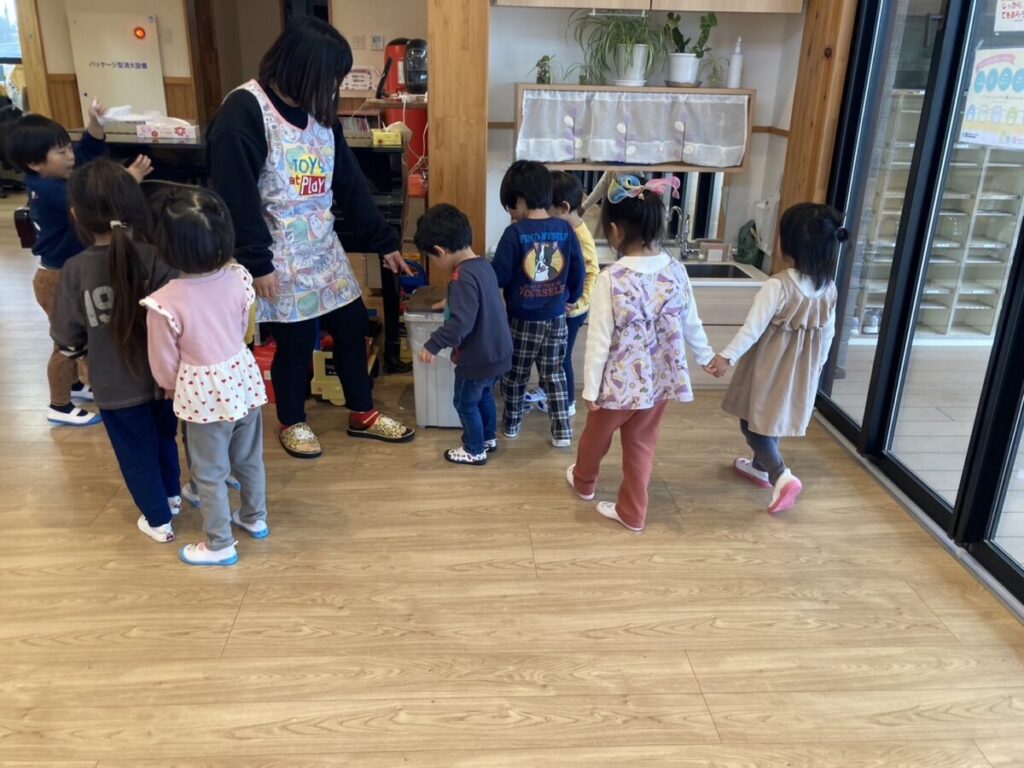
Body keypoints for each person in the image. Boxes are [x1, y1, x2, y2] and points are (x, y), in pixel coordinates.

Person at [207, 17, 414, 460]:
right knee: (296, 344)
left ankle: (363, 414)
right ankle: (292, 421)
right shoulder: (243, 112)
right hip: (276, 257)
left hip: (323, 249)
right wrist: (257, 263)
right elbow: (235, 197)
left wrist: (384, 241)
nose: (334, 89)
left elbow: (350, 184)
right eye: (332, 78)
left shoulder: (320, 113)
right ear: (304, 70)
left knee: (352, 326)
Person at [566, 175, 715, 532]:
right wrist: (707, 357)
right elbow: (691, 323)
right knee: (641, 444)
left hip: (617, 385)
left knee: (596, 437)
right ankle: (633, 511)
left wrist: (590, 389)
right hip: (658, 383)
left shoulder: (612, 278)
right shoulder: (677, 272)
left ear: (615, 231)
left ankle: (585, 483)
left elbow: (598, 341)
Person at [50, 159, 178, 543]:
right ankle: (172, 497)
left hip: (114, 387)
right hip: (165, 381)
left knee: (135, 453)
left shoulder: (74, 270)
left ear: (76, 215)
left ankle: (158, 521)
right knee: (164, 439)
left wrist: (82, 357)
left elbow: (67, 337)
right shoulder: (158, 257)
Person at [143, 187, 269, 567]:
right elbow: (244, 326)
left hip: (202, 396)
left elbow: (164, 364)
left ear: (166, 246)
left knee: (209, 473)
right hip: (243, 379)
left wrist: (171, 388)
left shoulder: (164, 302)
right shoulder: (238, 277)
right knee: (249, 458)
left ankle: (220, 544)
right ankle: (255, 517)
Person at [7, 105, 151, 426]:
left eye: (68, 147)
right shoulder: (50, 191)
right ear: (35, 163)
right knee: (66, 344)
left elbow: (86, 153)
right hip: (56, 278)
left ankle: (74, 386)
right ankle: (59, 405)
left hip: (62, 272)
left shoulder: (50, 177)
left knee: (75, 335)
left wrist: (94, 124)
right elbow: (94, 203)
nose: (71, 156)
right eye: (61, 152)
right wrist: (128, 180)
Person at [707, 202, 841, 515]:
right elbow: (829, 334)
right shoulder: (829, 289)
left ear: (787, 244)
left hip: (769, 368)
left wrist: (726, 356)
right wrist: (818, 365)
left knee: (753, 426)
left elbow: (751, 329)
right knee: (773, 419)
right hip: (801, 371)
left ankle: (781, 475)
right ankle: (759, 467)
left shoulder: (777, 285)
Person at [492, 160, 584, 447]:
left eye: (509, 205)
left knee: (516, 375)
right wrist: (572, 297)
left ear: (520, 198)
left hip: (522, 319)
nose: (510, 212)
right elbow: (578, 269)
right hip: (556, 317)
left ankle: (511, 424)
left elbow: (499, 276)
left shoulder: (515, 233)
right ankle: (562, 433)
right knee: (554, 375)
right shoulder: (566, 229)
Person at [415, 204, 513, 466]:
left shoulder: (460, 278)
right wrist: (450, 300)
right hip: (498, 353)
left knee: (464, 402)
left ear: (440, 251)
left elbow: (461, 324)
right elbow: (478, 300)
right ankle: (488, 438)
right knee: (483, 396)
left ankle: (474, 449)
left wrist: (433, 344)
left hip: (477, 358)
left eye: (433, 258)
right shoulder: (482, 265)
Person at [526, 171, 600, 418]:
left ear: (564, 208)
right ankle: (547, 391)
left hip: (572, 311)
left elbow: (592, 273)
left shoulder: (579, 236)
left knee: (561, 358)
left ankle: (567, 403)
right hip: (558, 305)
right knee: (549, 354)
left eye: (548, 210)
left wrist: (577, 301)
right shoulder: (560, 229)